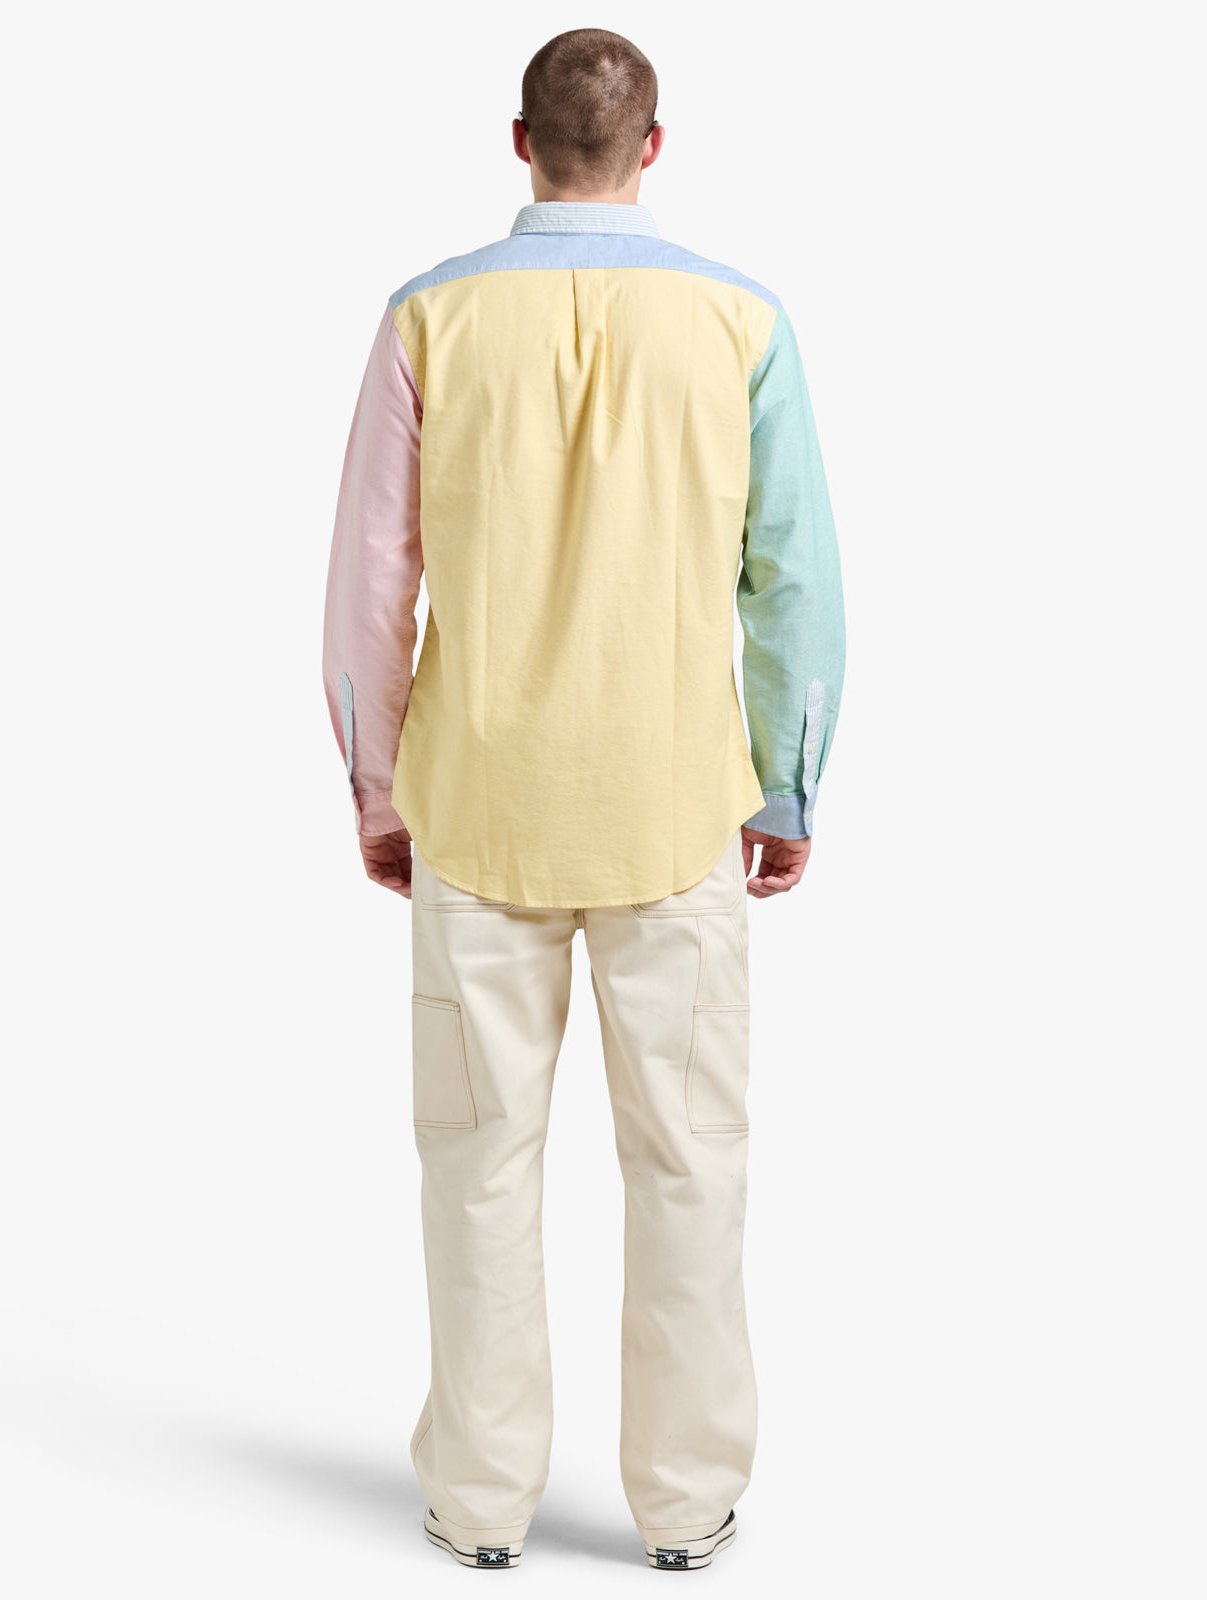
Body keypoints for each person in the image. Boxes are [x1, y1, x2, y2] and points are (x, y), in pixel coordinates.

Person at [322, 26, 845, 1572]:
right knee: (689, 1168)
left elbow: (369, 580)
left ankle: (479, 1503)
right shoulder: (741, 321)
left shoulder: (427, 318)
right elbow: (792, 580)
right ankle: (684, 1507)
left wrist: (375, 785)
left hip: (475, 809)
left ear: (519, 142)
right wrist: (787, 785)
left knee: (474, 1168)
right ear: (652, 145)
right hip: (675, 812)